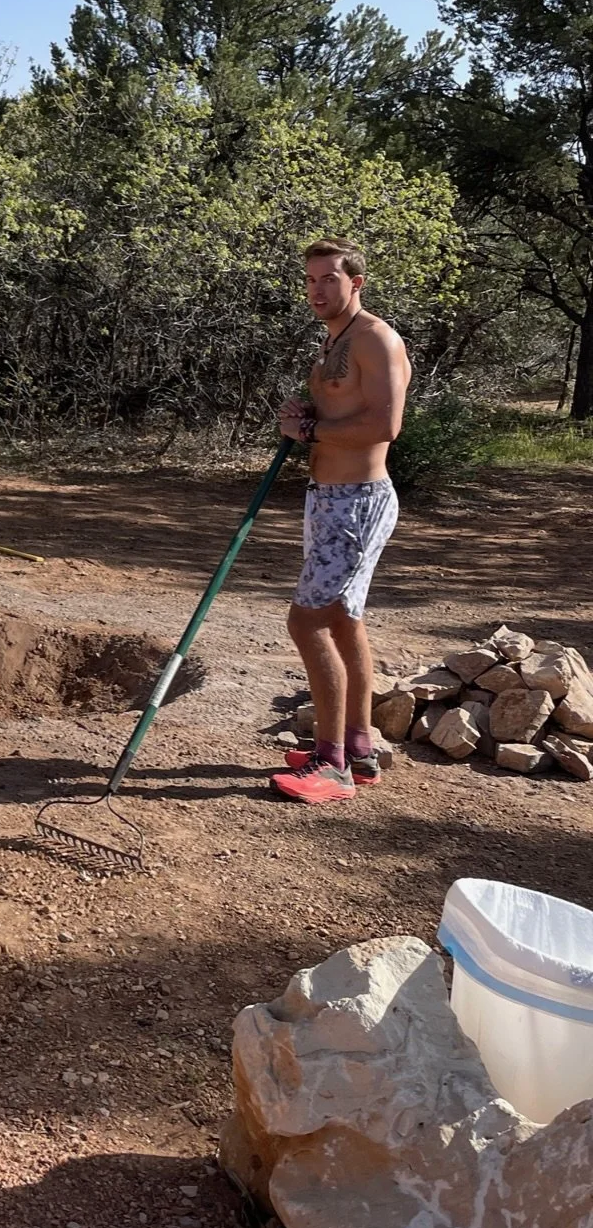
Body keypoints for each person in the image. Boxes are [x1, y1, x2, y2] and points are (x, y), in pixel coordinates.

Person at [271, 237, 412, 806]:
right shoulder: (336, 340)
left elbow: (384, 424)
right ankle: (358, 747)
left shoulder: (376, 338)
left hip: (356, 500)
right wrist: (306, 415)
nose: (317, 290)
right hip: (328, 497)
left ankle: (331, 765)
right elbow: (339, 411)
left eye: (329, 279)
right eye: (310, 280)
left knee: (309, 624)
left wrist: (306, 433)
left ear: (355, 282)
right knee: (345, 621)